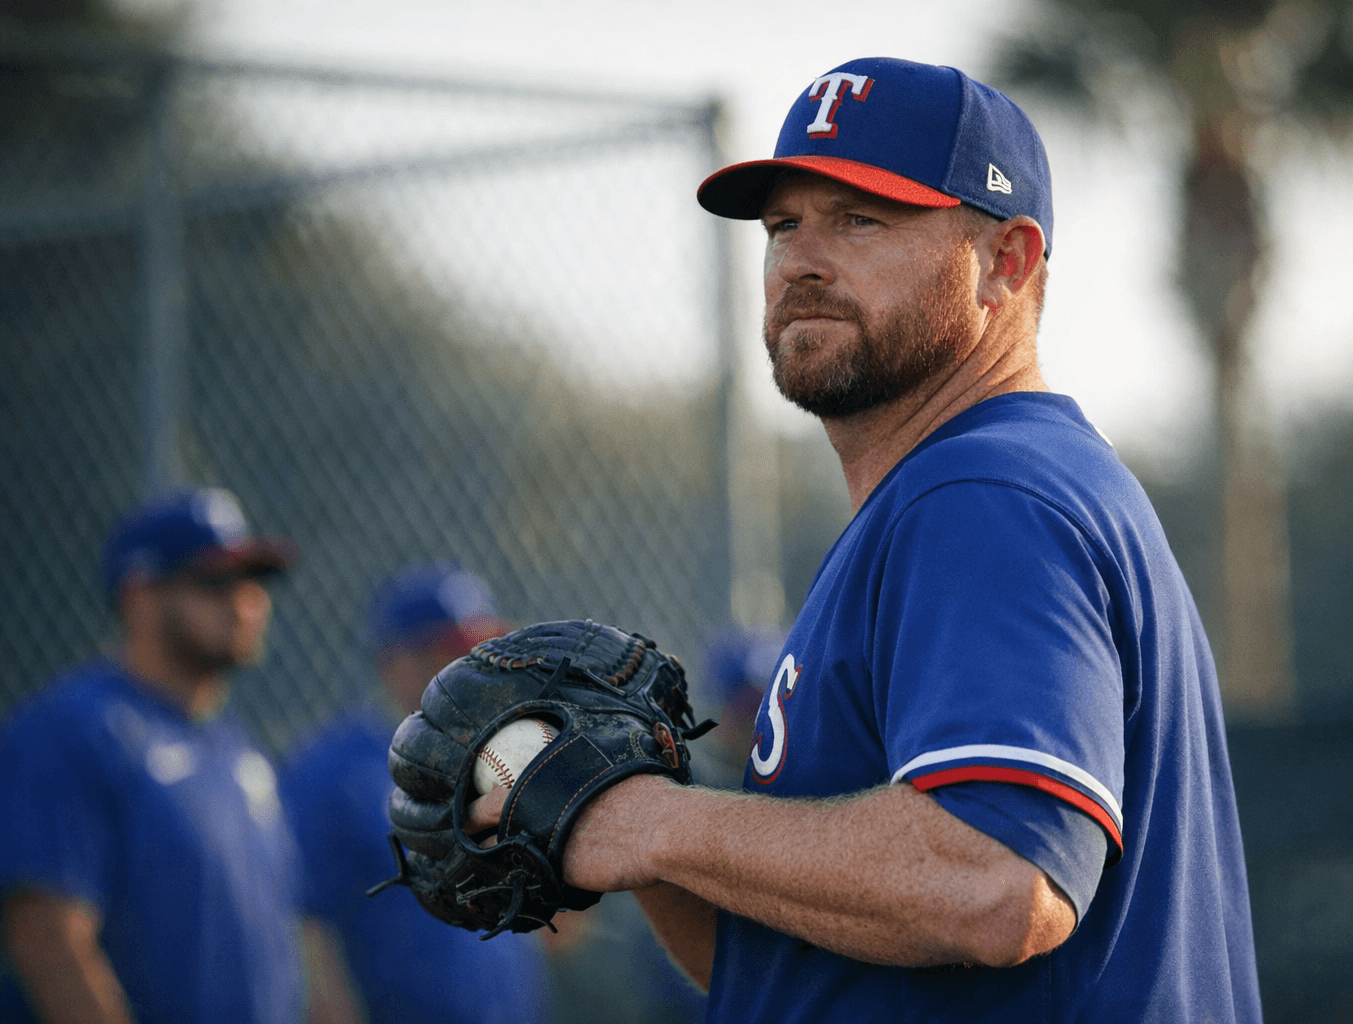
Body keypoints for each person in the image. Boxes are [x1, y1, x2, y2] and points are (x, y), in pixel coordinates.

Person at [468, 56, 1262, 1021]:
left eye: (860, 220)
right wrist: (617, 811)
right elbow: (788, 962)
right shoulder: (957, 497)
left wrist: (653, 822)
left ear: (1006, 262)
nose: (800, 261)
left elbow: (997, 882)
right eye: (782, 227)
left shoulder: (982, 494)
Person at [0, 487, 305, 1023]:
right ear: (140, 595)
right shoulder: (71, 729)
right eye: (215, 582)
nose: (245, 602)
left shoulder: (238, 748)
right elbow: (48, 937)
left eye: (254, 581)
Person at [280, 562, 549, 1024]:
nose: (481, 674)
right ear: (397, 664)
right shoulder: (332, 770)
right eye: (456, 655)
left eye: (485, 656)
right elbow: (303, 923)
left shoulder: (498, 762)